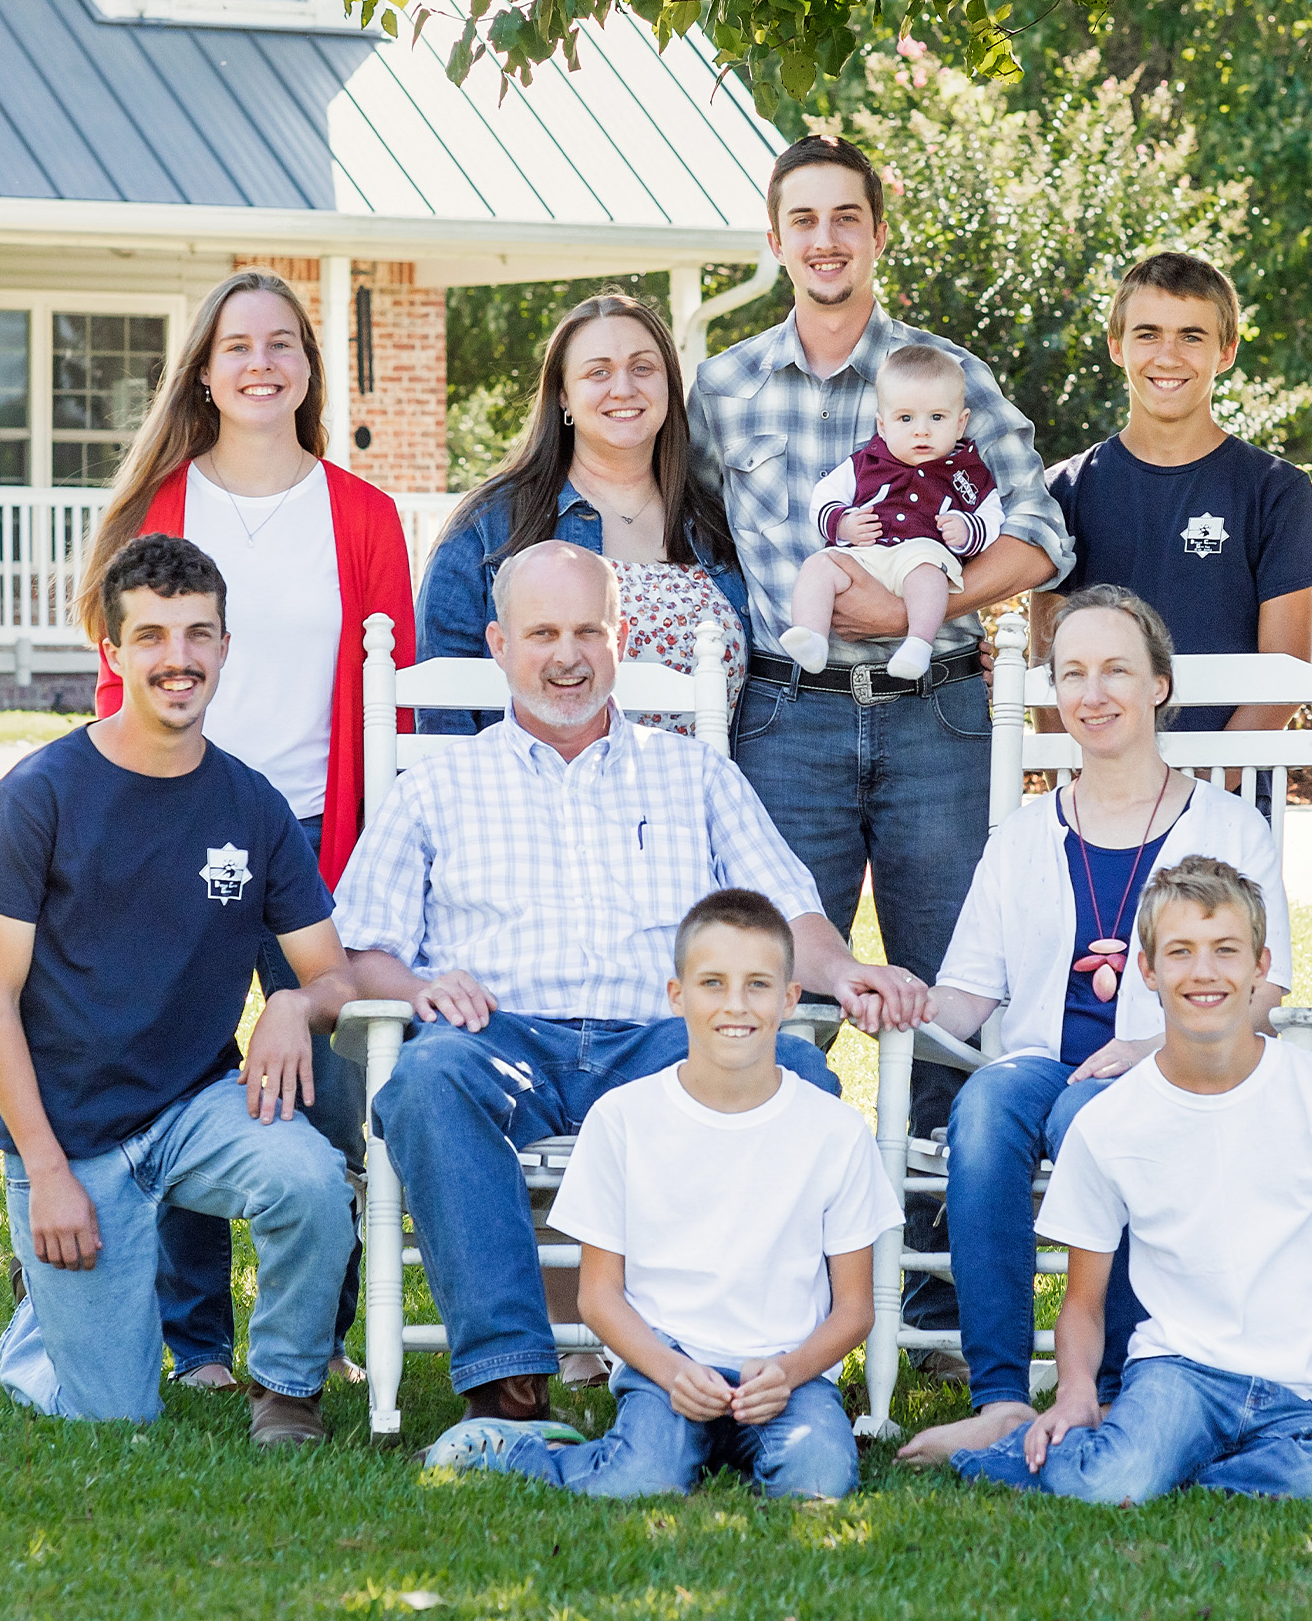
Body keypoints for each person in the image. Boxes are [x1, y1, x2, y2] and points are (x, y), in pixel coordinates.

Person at [324, 540, 930, 1428]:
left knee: (799, 1081)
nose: (565, 656)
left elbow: (788, 915)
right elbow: (362, 947)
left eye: (586, 631)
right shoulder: (437, 785)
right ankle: (509, 1382)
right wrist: (415, 987)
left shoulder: (695, 773)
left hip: (663, 1046)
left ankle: (770, 1367)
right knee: (424, 1081)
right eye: (541, 634)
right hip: (502, 1037)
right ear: (498, 644)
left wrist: (845, 969)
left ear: (619, 638)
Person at [690, 133, 1073, 1353]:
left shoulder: (944, 373)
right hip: (783, 718)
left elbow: (1042, 534)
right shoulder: (725, 388)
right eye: (802, 220)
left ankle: (938, 1280)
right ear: (774, 240)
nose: (825, 239)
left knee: (949, 1002)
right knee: (776, 991)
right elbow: (690, 541)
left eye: (846, 217)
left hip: (937, 710)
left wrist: (929, 600)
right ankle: (780, 1267)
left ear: (875, 232)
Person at [74, 268, 415, 1394]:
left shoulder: (362, 514)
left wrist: (383, 843)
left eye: (283, 343)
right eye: (237, 346)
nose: (261, 363)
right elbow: (119, 681)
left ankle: (314, 1330)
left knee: (325, 1074)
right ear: (206, 373)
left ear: (310, 368)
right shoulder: (159, 507)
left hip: (321, 831)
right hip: (179, 822)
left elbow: (396, 694)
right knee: (173, 1067)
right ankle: (200, 1339)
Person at [0, 533, 357, 1446]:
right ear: (113, 652)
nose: (177, 659)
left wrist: (294, 1005)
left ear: (223, 649)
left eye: (197, 636)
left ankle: (287, 1391)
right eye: (151, 637)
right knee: (115, 1413)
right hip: (73, 1137)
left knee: (310, 1180)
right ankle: (42, 1322)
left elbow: (329, 970)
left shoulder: (251, 805)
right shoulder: (39, 796)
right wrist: (48, 1174)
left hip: (193, 1110)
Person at [897, 587, 1292, 1467]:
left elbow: (1267, 993)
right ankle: (1001, 1396)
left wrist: (1158, 1046)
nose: (1093, 692)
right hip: (1042, 1061)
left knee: (1093, 1121)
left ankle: (1112, 1386)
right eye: (1072, 673)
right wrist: (904, 999)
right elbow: (967, 996)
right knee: (987, 1107)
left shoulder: (1229, 828)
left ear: (1158, 685)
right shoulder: (1025, 835)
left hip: (1170, 1073)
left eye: (1116, 669)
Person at [952, 858, 1312, 1505]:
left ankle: (1167, 1470)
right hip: (1176, 1377)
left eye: (1226, 951)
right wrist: (1075, 1393)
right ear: (1147, 971)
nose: (1204, 972)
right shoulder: (1111, 1120)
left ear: (1261, 966)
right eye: (1179, 952)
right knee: (1112, 1482)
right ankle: (1027, 1454)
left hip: (1300, 1390)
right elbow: (1084, 1305)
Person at [420, 890, 900, 1497]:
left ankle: (747, 1448)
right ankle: (529, 1451)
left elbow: (855, 1309)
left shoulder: (835, 1130)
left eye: (758, 985)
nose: (735, 1005)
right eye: (712, 983)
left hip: (786, 1372)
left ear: (790, 998)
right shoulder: (623, 1118)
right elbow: (598, 1297)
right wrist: (671, 1370)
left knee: (819, 1483)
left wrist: (788, 1372)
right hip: (664, 1366)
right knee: (638, 1482)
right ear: (677, 997)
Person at [1038, 252, 1312, 740]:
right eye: (1148, 333)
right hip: (1098, 798)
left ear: (1227, 351)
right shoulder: (1063, 491)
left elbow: (1283, 681)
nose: (1168, 356)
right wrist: (1084, 791)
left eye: (1192, 336)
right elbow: (1048, 675)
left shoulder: (1277, 491)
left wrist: (1194, 789)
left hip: (1230, 797)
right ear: (1117, 345)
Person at [419, 294, 749, 738]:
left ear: (669, 384)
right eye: (598, 372)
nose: (624, 388)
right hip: (533, 801)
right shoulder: (492, 525)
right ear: (563, 396)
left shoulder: (716, 520)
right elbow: (446, 702)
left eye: (643, 367)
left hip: (694, 799)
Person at [777, 343, 1004, 682]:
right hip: (864, 554)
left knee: (928, 577)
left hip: (921, 553)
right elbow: (824, 497)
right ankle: (812, 636)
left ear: (961, 424)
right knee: (818, 566)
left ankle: (917, 645)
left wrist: (968, 529)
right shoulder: (866, 462)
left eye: (937, 418)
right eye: (906, 418)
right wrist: (844, 524)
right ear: (882, 426)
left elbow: (992, 514)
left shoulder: (966, 471)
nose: (921, 430)